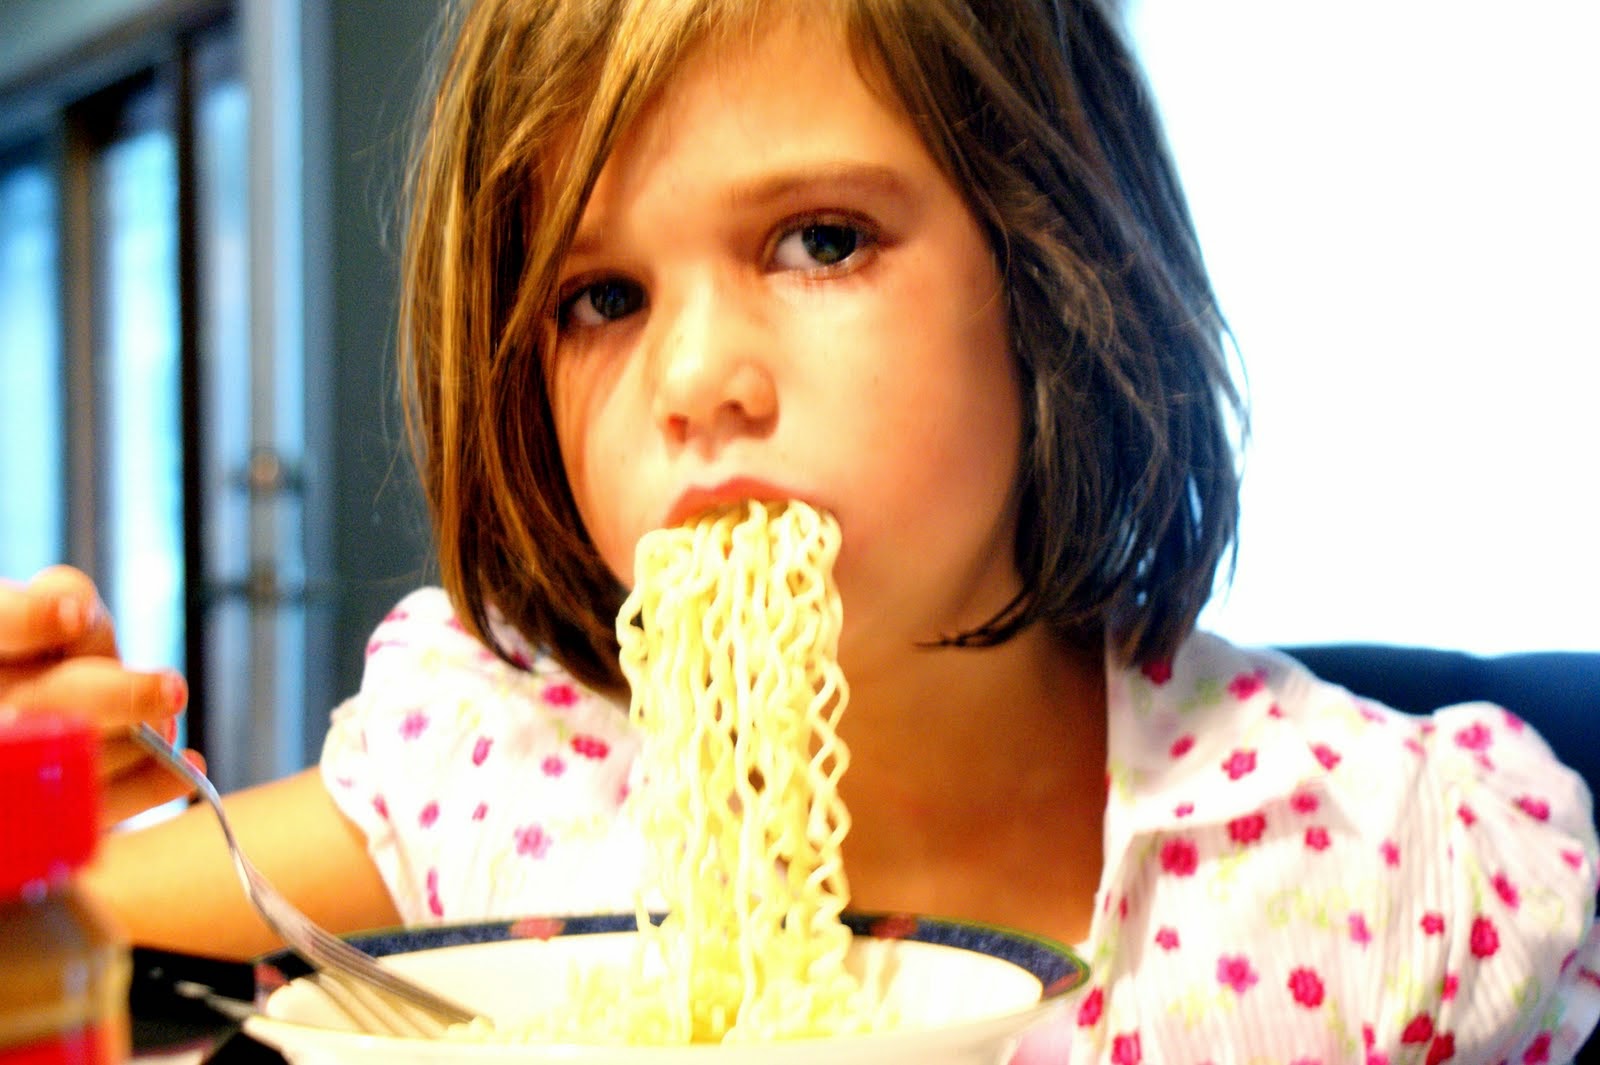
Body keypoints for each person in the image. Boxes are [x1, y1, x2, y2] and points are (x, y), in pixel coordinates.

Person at [1, 0, 1596, 1059]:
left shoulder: (1389, 872)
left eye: (821, 240)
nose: (695, 379)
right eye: (601, 297)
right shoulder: (497, 772)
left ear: (1051, 268)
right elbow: (49, 941)